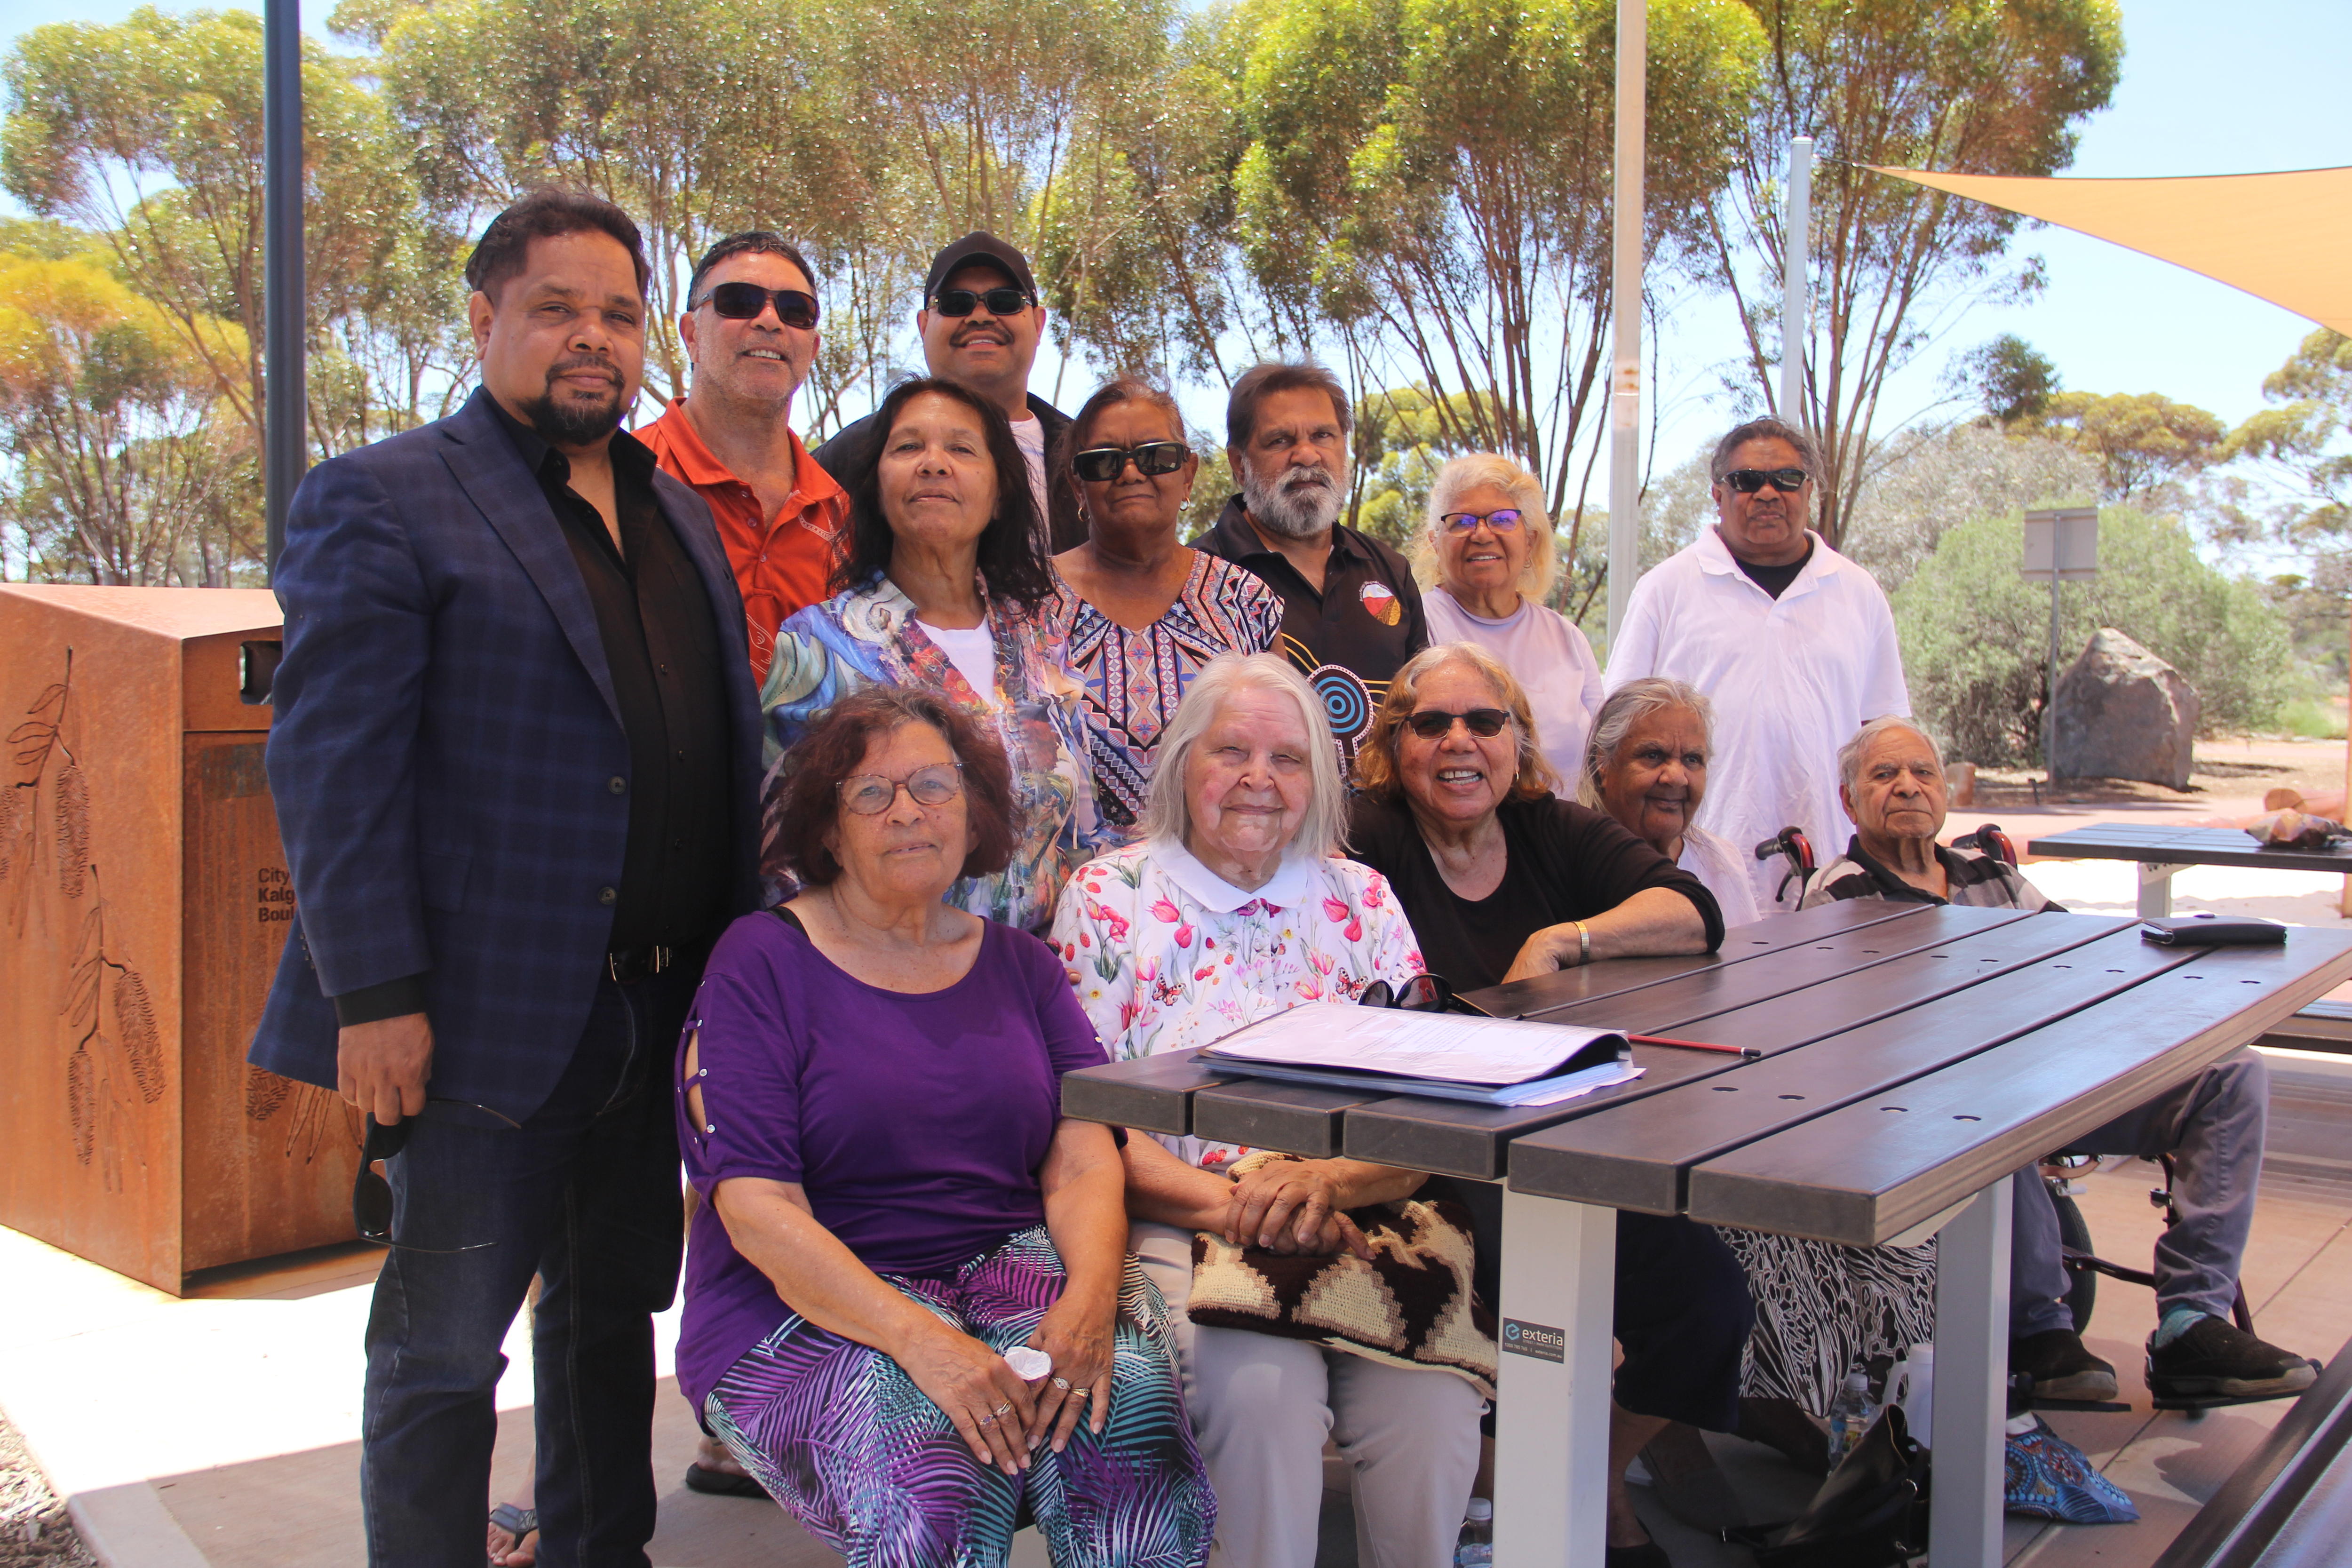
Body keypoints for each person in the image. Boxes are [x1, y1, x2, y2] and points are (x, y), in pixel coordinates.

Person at [250, 187, 765, 1567]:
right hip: (475, 1024)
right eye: (555, 308)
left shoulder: (679, 520)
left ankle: (606, 1550)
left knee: (606, 1330)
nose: (590, 337)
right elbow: (332, 767)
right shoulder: (385, 496)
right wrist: (376, 997)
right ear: (484, 320)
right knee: (439, 1353)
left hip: (653, 1017)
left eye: (615, 312)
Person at [680, 685, 1213, 1565]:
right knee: (939, 1461)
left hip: (1012, 1266)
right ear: (828, 830)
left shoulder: (1023, 965)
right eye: (871, 793)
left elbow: (1084, 1160)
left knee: (1124, 1415)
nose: (908, 812)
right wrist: (925, 1343)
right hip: (810, 1297)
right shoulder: (763, 959)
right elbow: (757, 1206)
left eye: (934, 785)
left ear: (974, 817)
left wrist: (1088, 1299)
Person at [1050, 653, 1485, 1568]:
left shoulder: (1360, 898)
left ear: (1319, 780)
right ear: (1181, 767)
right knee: (1257, 1394)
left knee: (1433, 1406)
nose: (1258, 778)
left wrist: (1323, 1185)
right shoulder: (1110, 898)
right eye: (1231, 751)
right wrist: (1238, 1206)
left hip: (1362, 1212)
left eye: (1287, 758)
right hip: (1179, 1212)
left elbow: (1425, 1107)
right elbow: (1089, 1121)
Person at [1345, 643, 1751, 1567]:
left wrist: (1561, 938)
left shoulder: (1549, 828)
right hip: (1422, 1154)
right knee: (1535, 1322)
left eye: (1484, 721)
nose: (1460, 742)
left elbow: (1691, 910)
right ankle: (1530, 1504)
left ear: (1517, 740)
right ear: (1393, 743)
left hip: (1564, 1142)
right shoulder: (1368, 832)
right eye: (1431, 723)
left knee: (1708, 1302)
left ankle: (1583, 1479)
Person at [1803, 716, 2320, 1407]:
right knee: (1988, 1088)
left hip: (2046, 1077)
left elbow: (2082, 958)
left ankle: (2190, 1323)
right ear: (1848, 800)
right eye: (1884, 775)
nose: (1907, 787)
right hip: (1926, 1109)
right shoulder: (1841, 894)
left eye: (1923, 773)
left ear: (1945, 791)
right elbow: (1869, 1033)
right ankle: (2039, 1330)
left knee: (2231, 1074)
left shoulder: (1989, 875)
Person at [763, 375, 1101, 932]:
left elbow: (1083, 835)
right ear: (875, 485)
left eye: (961, 449)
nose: (934, 463)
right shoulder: (817, 647)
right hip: (892, 991)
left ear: (999, 496)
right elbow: (783, 867)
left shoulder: (1040, 637)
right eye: (908, 446)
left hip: (1048, 983)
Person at [1606, 417, 1909, 910]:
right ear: (1717, 493)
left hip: (1833, 872)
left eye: (1785, 479)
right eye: (1746, 480)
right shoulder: (1665, 589)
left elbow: (1881, 733)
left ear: (1809, 489)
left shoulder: (1858, 592)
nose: (1767, 493)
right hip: (1693, 866)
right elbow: (1615, 734)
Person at [1046, 375, 1284, 835]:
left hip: (1219, 881)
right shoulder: (1028, 603)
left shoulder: (1244, 602)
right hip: (1068, 893)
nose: (1131, 474)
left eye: (1155, 457)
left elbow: (1287, 746)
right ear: (1078, 486)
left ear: (1188, 473)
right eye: (1104, 462)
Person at [640, 231, 850, 686]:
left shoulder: (841, 516)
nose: (770, 321)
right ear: (691, 335)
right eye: (740, 301)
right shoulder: (622, 477)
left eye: (796, 310)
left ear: (812, 349)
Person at [1194, 363, 1428, 764]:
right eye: (1280, 440)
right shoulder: (1200, 576)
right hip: (1265, 820)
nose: (1306, 454)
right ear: (1238, 463)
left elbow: (1422, 711)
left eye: (1323, 435)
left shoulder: (1390, 571)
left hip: (1388, 822)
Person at [814, 232, 1083, 556]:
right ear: (924, 325)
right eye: (956, 303)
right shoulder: (851, 456)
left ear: (1039, 325)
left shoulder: (1090, 456)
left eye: (1006, 302)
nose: (981, 316)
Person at [1412, 453, 1604, 783]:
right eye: (1462, 522)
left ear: (1529, 541)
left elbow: (1603, 757)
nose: (1482, 534)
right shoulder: (1416, 625)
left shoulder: (1567, 637)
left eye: (1502, 520)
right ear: (1435, 544)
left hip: (1568, 832)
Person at [1578, 678, 1762, 929]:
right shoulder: (1566, 866)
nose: (1676, 777)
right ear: (1604, 763)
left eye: (1693, 760)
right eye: (1653, 755)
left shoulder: (1721, 862)